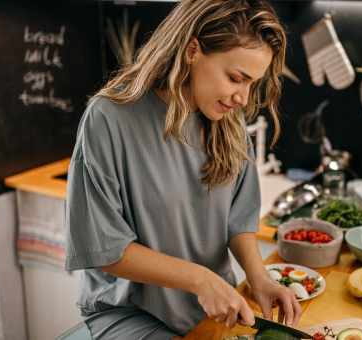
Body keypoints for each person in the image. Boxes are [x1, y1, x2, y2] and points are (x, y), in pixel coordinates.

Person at [64, 1, 300, 339]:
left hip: (208, 313)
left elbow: (237, 218)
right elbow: (105, 250)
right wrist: (201, 279)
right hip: (130, 315)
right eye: (236, 78)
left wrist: (259, 277)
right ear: (193, 50)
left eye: (252, 84)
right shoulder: (110, 118)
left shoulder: (226, 120)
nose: (243, 98)